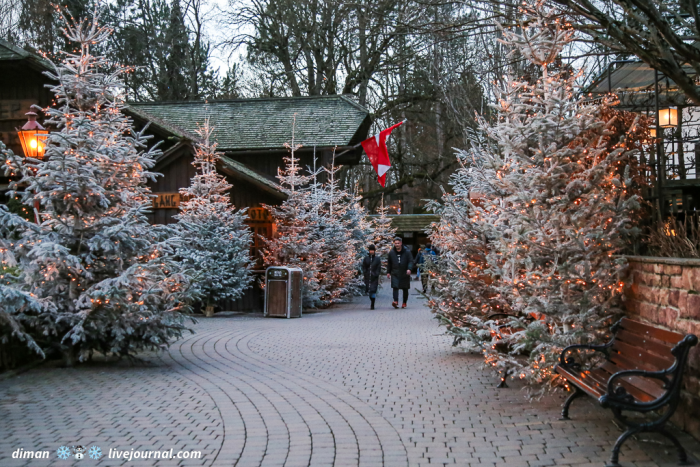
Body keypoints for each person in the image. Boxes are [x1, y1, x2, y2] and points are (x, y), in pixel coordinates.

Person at [386, 237, 414, 308]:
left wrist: (409, 269)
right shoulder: (391, 252)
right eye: (395, 243)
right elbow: (389, 263)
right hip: (395, 272)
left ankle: (404, 302)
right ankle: (395, 301)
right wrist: (388, 272)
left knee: (405, 288)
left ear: (401, 243)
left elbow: (411, 261)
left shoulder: (407, 252)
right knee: (395, 287)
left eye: (398, 243)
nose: (397, 245)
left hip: (404, 273)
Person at [362, 244, 382, 310]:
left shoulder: (377, 259)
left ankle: (372, 304)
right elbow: (364, 266)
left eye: (372, 250)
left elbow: (379, 267)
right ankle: (371, 300)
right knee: (369, 290)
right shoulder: (366, 258)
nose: (371, 251)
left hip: (374, 277)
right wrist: (365, 272)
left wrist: (376, 274)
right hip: (368, 277)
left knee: (373, 290)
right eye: (370, 250)